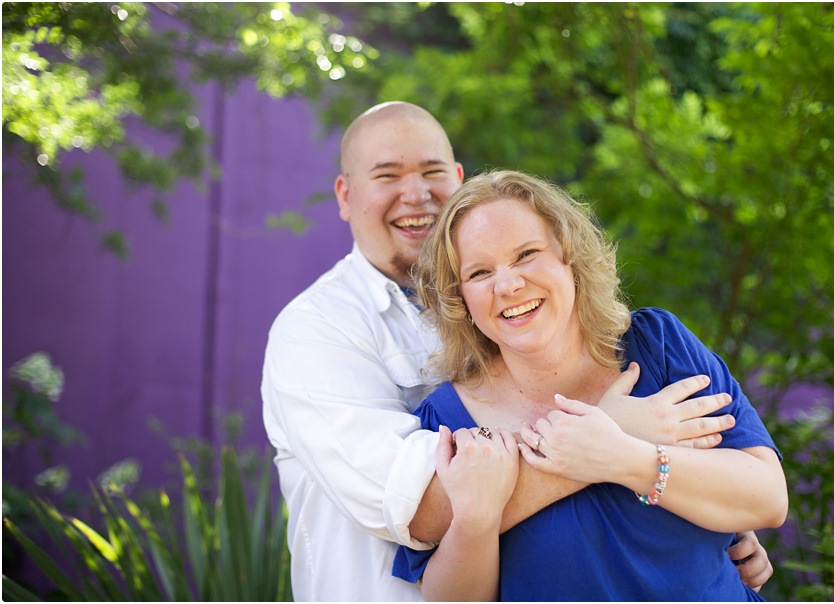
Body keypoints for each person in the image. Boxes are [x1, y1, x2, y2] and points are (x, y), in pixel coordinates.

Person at [261, 102, 773, 601]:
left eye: (432, 171)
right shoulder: (318, 332)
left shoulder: (654, 344)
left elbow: (759, 495)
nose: (415, 194)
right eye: (387, 175)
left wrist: (705, 508)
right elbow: (421, 507)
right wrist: (613, 433)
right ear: (346, 195)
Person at [392, 170, 788, 601]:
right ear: (461, 299)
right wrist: (476, 518)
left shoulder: (657, 346)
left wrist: (623, 456)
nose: (507, 285)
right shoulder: (447, 424)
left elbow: (766, 498)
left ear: (570, 256)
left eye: (526, 254)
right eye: (480, 272)